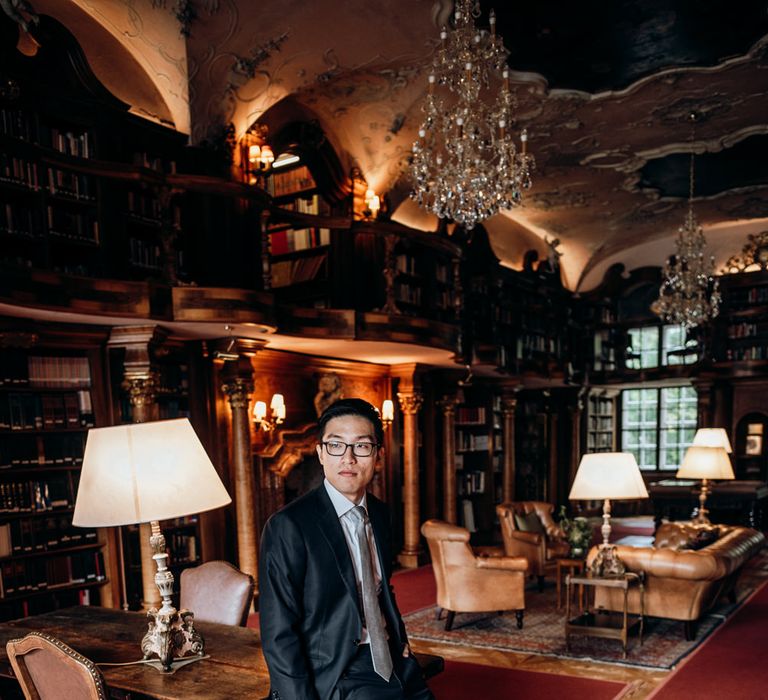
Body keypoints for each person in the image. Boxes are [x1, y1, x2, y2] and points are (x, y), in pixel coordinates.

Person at [259, 398, 434, 700]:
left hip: (393, 657)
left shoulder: (380, 514)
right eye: (336, 445)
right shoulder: (289, 526)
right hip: (337, 669)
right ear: (320, 453)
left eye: (362, 446)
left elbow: (379, 587)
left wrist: (398, 637)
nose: (348, 458)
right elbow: (278, 631)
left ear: (378, 455)